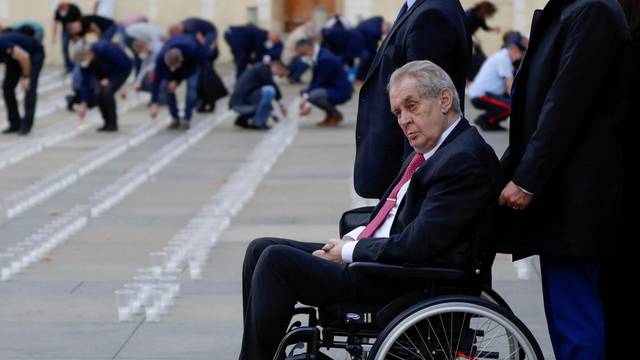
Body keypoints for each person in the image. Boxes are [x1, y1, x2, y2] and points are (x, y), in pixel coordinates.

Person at [239, 60, 499, 360]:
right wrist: (351, 243)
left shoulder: (462, 159)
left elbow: (419, 243)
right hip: (386, 261)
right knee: (260, 249)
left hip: (402, 280)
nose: (404, 120)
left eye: (412, 106)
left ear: (444, 99)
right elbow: (391, 214)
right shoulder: (436, 149)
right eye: (398, 112)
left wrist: (350, 253)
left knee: (276, 261)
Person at [495, 0, 630, 359]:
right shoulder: (576, 8)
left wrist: (526, 180)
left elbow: (564, 105)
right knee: (570, 315)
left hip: (576, 200)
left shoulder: (593, 10)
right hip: (568, 195)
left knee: (576, 322)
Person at [353, 0, 471, 199]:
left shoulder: (432, 15)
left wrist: (410, 187)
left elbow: (425, 112)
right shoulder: (420, 7)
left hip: (406, 169)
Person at [468, 32, 527, 131]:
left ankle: (491, 122)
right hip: (482, 95)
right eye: (521, 52)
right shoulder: (504, 59)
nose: (521, 56)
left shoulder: (501, 56)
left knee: (508, 104)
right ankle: (485, 120)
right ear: (513, 49)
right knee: (511, 106)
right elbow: (510, 86)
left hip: (486, 95)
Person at [149, 34, 208, 130]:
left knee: (192, 87)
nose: (173, 69)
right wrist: (154, 103)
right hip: (176, 52)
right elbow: (155, 81)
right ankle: (174, 118)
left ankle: (187, 118)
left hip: (190, 64)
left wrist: (176, 80)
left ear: (181, 61)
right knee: (167, 87)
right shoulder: (160, 59)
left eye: (175, 67)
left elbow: (191, 70)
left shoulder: (192, 52)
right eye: (170, 67)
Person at [73, 40, 132, 132]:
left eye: (82, 58)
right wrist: (83, 102)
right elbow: (85, 82)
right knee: (97, 93)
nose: (82, 62)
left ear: (88, 53)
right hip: (102, 74)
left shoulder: (104, 49)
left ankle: (112, 123)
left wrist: (110, 79)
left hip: (121, 70)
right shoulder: (85, 63)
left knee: (107, 92)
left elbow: (123, 64)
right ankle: (106, 122)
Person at [295, 39, 352, 126]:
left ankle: (335, 115)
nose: (302, 57)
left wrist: (306, 103)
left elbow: (319, 83)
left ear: (310, 49)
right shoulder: (319, 55)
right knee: (305, 93)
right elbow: (315, 81)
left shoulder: (325, 59)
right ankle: (330, 115)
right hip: (331, 88)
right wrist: (304, 95)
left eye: (303, 54)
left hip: (340, 91)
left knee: (313, 95)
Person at [0, 32, 45, 135]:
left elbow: (24, 57)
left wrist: (26, 77)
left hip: (33, 54)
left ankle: (26, 125)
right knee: (7, 88)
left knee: (28, 88)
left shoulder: (2, 43)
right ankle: (15, 123)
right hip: (14, 59)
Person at [229, 60, 288, 130]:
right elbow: (273, 87)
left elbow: (264, 100)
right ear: (278, 68)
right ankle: (258, 123)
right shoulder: (264, 70)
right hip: (241, 105)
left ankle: (243, 119)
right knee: (269, 90)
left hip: (239, 104)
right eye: (280, 75)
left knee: (266, 94)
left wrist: (273, 113)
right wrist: (281, 106)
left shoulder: (260, 69)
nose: (277, 77)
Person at [354, 16, 391, 83]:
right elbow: (372, 48)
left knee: (369, 57)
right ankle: (360, 78)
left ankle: (364, 77)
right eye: (386, 32)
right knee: (367, 57)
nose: (384, 34)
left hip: (359, 36)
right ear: (385, 26)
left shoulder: (379, 19)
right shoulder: (375, 32)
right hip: (358, 40)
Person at [52, 2, 82, 73]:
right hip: (65, 32)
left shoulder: (74, 8)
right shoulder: (58, 11)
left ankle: (79, 65)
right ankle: (68, 67)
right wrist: (54, 37)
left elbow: (80, 20)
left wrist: (79, 33)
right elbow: (55, 24)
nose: (59, 9)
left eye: (60, 7)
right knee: (64, 48)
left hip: (75, 31)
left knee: (79, 47)